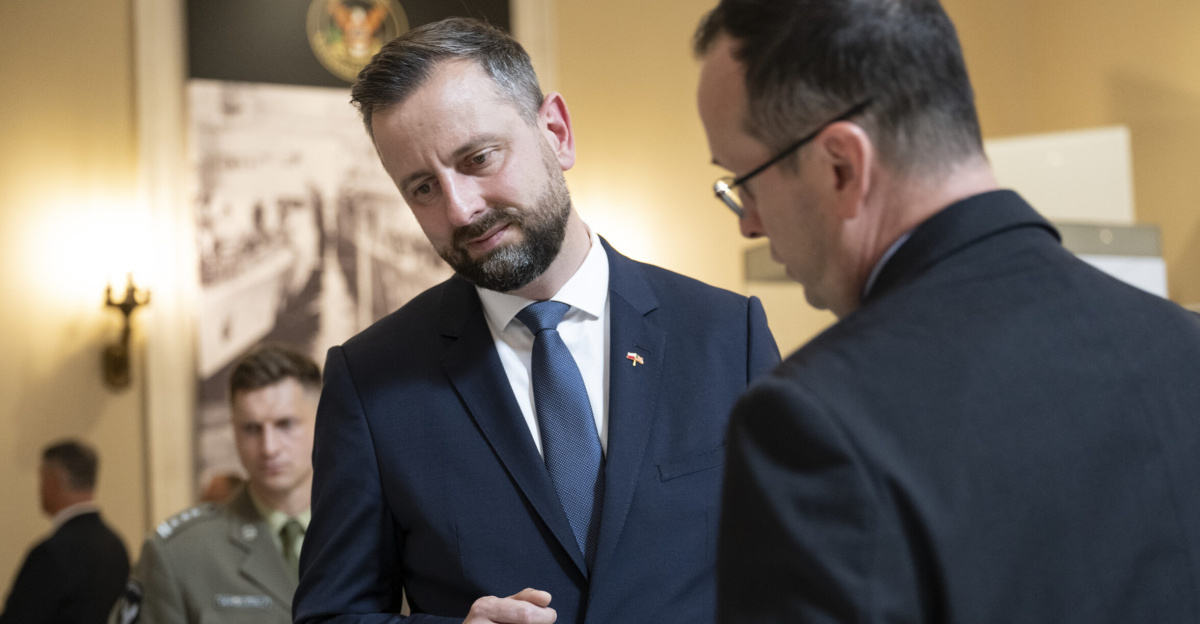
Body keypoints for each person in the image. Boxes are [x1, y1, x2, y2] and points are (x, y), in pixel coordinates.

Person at [693, 1, 1200, 622]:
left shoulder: (812, 422)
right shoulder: (1186, 346)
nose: (748, 223)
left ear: (841, 166)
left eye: (744, 179)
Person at [294, 16, 780, 624]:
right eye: (422, 188)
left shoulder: (725, 335)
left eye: (478, 158)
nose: (460, 208)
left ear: (556, 131)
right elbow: (330, 614)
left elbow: (804, 574)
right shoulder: (371, 381)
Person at [113, 344, 319, 624]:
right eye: (251, 428)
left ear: (323, 423)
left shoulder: (375, 535)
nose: (269, 447)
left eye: (285, 424)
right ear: (233, 429)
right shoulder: (179, 554)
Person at [0, 440, 129, 624]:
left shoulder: (51, 553)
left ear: (52, 482)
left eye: (42, 479)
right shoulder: (116, 545)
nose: (39, 491)